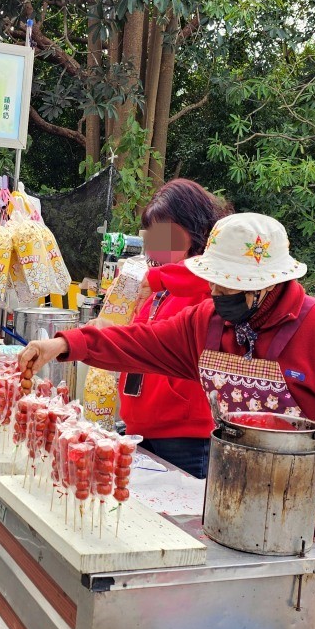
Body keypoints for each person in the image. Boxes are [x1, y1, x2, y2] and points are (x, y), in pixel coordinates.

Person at [18, 213, 315, 629]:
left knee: (311, 618)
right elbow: (142, 343)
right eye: (214, 283)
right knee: (237, 611)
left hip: (313, 506)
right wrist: (64, 344)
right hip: (235, 494)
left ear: (265, 286)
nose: (216, 295)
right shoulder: (207, 321)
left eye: (229, 287)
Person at [115, 179, 232, 478]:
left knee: (184, 521)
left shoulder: (212, 281)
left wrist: (159, 278)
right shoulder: (158, 285)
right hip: (141, 427)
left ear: (193, 228)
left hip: (186, 435)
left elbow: (210, 271)